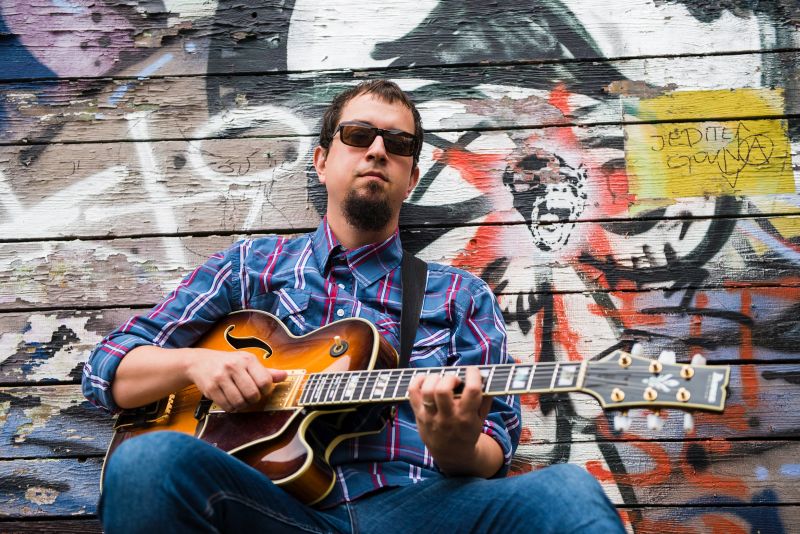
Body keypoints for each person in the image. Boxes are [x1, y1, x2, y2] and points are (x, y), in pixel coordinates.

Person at [83, 79, 623, 533]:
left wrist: (457, 446)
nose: (378, 150)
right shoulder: (250, 267)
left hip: (423, 509)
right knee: (147, 461)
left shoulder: (461, 295)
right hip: (268, 507)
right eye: (358, 135)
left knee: (566, 492)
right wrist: (196, 364)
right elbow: (106, 368)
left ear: (412, 179)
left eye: (399, 144)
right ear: (321, 161)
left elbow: (495, 446)